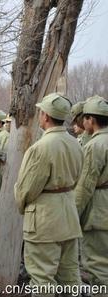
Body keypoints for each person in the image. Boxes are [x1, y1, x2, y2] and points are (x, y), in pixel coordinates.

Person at [14, 93, 83, 293]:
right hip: (69, 217)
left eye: (41, 112)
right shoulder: (75, 143)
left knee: (42, 279)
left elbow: (26, 189)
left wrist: (21, 203)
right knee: (70, 277)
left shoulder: (40, 148)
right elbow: (77, 179)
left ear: (45, 116)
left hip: (44, 222)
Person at [75, 96, 108, 288]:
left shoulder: (94, 146)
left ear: (91, 120)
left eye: (84, 118)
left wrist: (73, 214)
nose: (82, 122)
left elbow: (85, 186)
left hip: (99, 214)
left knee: (98, 269)